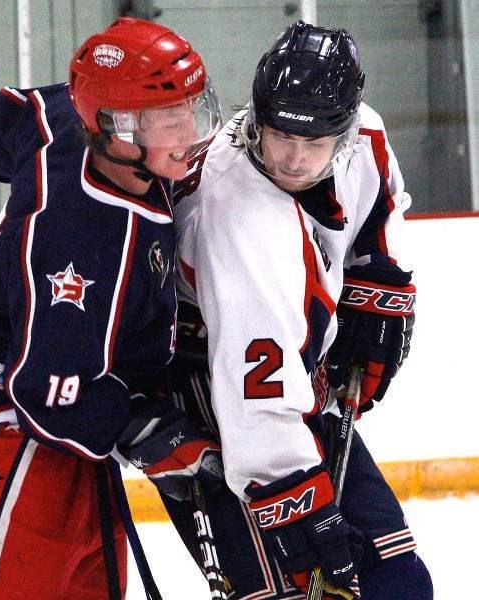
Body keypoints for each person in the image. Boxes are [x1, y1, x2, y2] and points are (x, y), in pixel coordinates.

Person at [0, 17, 222, 599]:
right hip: (11, 444)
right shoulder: (82, 240)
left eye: (193, 109)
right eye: (169, 121)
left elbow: (9, 114)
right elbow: (48, 393)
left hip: (75, 445)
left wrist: (27, 187)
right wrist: (141, 427)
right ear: (115, 129)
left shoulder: (70, 121)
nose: (191, 133)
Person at [154, 21, 432, 600]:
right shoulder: (235, 214)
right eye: (281, 136)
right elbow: (253, 395)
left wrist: (380, 288)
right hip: (213, 392)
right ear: (256, 116)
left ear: (346, 129)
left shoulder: (365, 136)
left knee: (396, 580)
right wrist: (293, 502)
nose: (294, 159)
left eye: (315, 143)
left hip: (297, 370)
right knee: (299, 582)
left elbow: (381, 218)